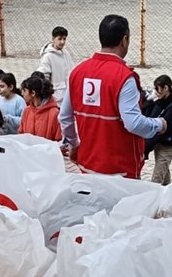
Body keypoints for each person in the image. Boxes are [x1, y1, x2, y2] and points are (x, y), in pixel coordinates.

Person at [59, 14, 166, 179]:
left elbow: (65, 117)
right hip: (120, 173)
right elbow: (133, 123)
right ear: (125, 40)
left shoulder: (78, 72)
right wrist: (158, 124)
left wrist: (74, 143)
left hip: (87, 166)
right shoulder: (124, 77)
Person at [143, 75, 172, 185]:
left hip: (167, 145)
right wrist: (150, 101)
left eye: (158, 89)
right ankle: (168, 192)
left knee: (157, 179)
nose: (156, 92)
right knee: (164, 176)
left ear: (165, 88)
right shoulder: (160, 102)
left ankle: (157, 194)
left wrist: (145, 148)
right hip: (158, 144)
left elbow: (162, 130)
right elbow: (148, 117)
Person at [37, 26, 75, 102]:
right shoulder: (47, 56)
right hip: (55, 98)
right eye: (59, 39)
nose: (62, 42)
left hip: (68, 95)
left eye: (64, 39)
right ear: (53, 39)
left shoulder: (66, 53)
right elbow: (44, 78)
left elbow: (71, 71)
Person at [19, 74, 61, 141]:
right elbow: (21, 133)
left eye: (24, 90)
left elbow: (58, 139)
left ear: (33, 93)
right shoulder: (27, 111)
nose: (22, 93)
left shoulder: (54, 113)